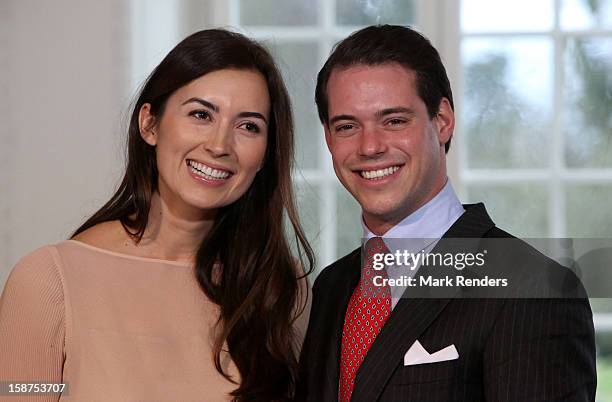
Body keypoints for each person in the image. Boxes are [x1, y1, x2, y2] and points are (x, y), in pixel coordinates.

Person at [0, 29, 313, 402]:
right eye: (201, 114)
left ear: (264, 155)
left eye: (248, 126)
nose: (219, 145)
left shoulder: (281, 287)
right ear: (149, 124)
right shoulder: (49, 281)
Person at [297, 25, 596, 401]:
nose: (369, 146)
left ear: (442, 121)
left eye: (394, 121)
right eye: (347, 126)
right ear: (328, 137)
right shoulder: (331, 287)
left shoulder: (534, 289)